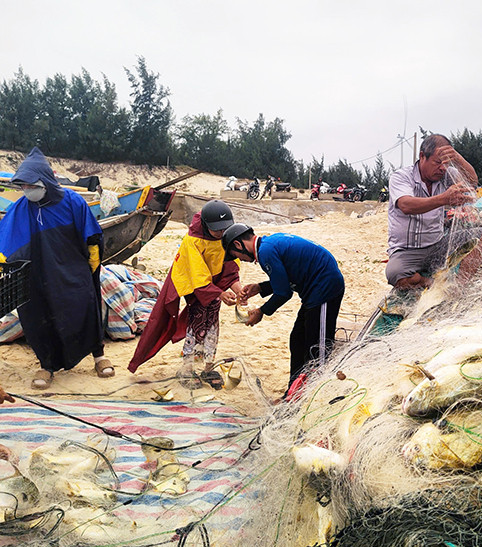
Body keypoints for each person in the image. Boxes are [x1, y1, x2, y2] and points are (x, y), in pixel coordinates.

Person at [0, 147, 114, 389]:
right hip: (37, 274)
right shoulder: (21, 209)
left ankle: (98, 355)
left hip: (72, 269)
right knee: (38, 316)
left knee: (86, 306)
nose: (27, 189)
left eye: (32, 184)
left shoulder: (72, 201)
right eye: (23, 185)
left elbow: (92, 235)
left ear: (45, 181)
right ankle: (47, 365)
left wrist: (93, 261)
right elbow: (6, 241)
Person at [128, 200, 241, 389]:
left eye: (225, 229)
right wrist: (220, 293)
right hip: (195, 289)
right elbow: (197, 275)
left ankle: (208, 367)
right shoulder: (193, 240)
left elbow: (230, 267)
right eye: (217, 230)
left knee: (212, 327)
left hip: (214, 290)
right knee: (195, 326)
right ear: (205, 225)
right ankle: (187, 369)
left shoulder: (224, 238)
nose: (221, 233)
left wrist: (238, 289)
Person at [221, 223, 345, 395]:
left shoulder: (265, 252)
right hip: (313, 290)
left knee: (317, 347)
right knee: (297, 339)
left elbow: (284, 293)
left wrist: (261, 311)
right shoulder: (269, 244)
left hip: (324, 288)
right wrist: (260, 288)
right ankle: (293, 393)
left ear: (238, 244)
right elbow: (286, 278)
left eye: (235, 255)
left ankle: (316, 394)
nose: (240, 259)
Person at [386, 134, 482, 289]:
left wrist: (457, 158)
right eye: (438, 162)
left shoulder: (445, 175)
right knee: (395, 274)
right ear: (422, 156)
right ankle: (427, 283)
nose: (443, 168)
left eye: (447, 163)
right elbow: (406, 205)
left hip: (437, 245)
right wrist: (444, 199)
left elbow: (472, 182)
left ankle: (459, 286)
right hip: (407, 251)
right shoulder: (401, 177)